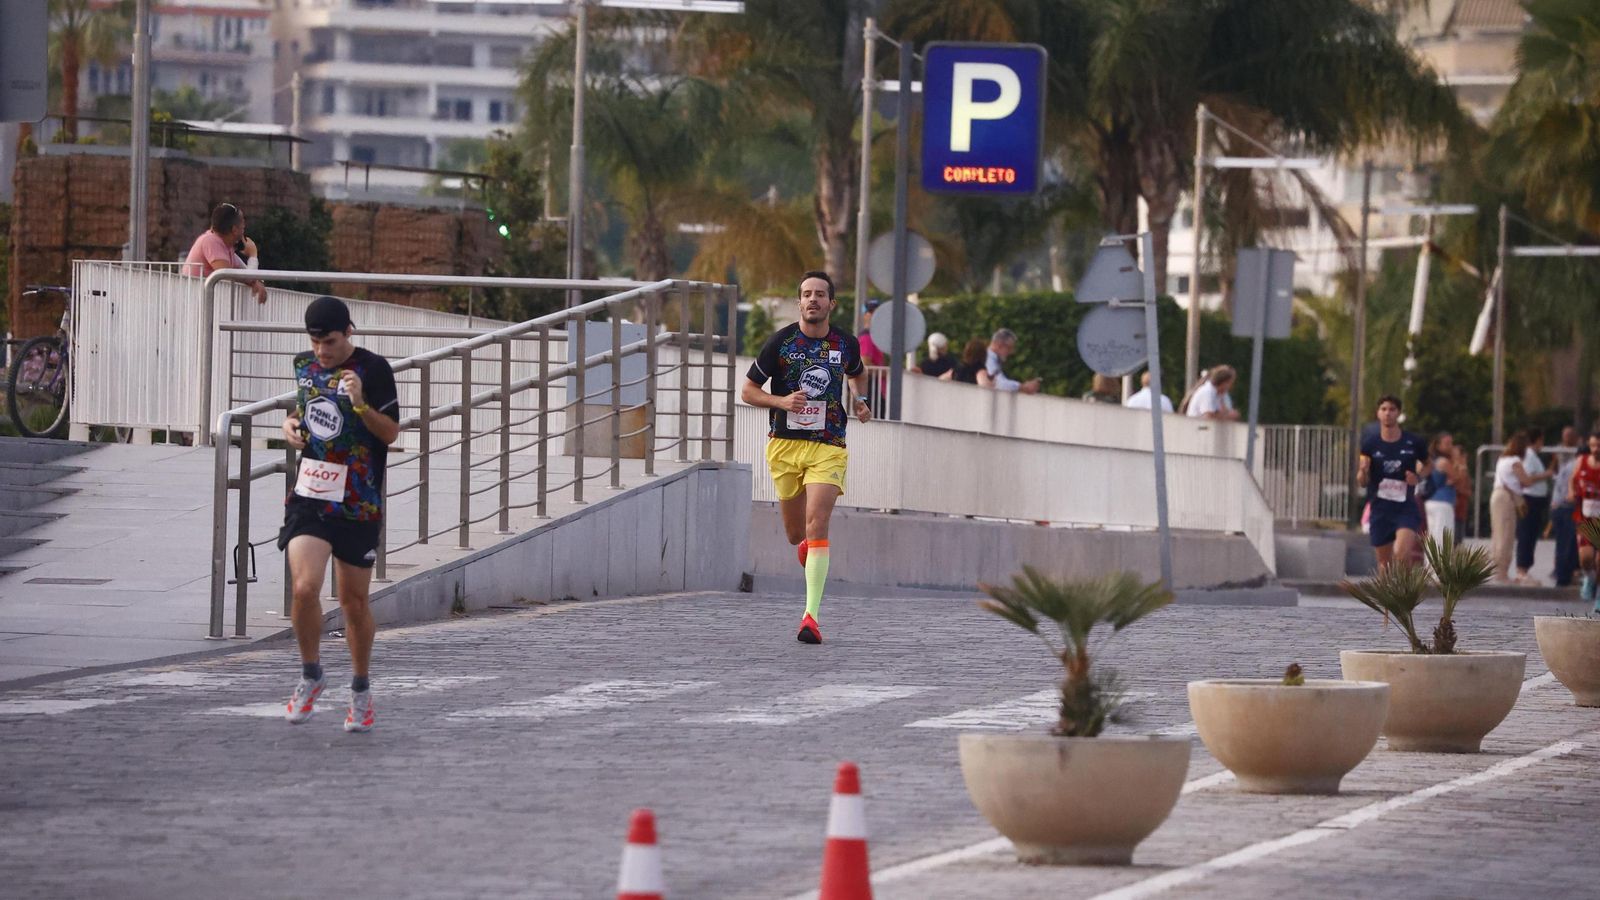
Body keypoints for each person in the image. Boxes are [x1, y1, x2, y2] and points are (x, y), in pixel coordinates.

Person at [278, 296, 401, 731]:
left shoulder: (374, 369)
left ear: (348, 332)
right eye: (315, 343)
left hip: (357, 500)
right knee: (304, 587)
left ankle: (361, 689)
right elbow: (307, 404)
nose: (321, 351)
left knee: (353, 602)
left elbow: (391, 433)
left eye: (329, 342)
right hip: (312, 493)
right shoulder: (304, 365)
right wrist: (289, 424)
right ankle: (311, 673)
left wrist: (361, 403)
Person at [741, 271, 871, 644]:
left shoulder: (845, 343)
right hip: (785, 444)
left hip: (829, 443)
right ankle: (807, 547)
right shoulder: (780, 343)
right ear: (799, 302)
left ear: (832, 303)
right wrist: (781, 401)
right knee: (796, 533)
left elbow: (857, 375)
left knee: (818, 523)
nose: (813, 299)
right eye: (807, 294)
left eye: (820, 294)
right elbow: (748, 390)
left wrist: (860, 400)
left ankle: (810, 618)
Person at [1357, 395, 1428, 571]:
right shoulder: (1370, 444)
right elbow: (1362, 482)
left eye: (1392, 409)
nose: (1388, 413)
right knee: (1384, 564)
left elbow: (1428, 465)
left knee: (1401, 553)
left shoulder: (1413, 442)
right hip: (1380, 508)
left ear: (1398, 413)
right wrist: (1363, 471)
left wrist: (1417, 477)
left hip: (1405, 508)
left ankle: (1406, 587)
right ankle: (1388, 590)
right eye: (1384, 409)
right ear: (1378, 413)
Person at [184, 202, 267, 303]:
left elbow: (247, 276)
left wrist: (257, 282)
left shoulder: (226, 248)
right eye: (242, 223)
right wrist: (253, 255)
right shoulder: (211, 241)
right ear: (234, 229)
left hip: (202, 302)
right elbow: (227, 275)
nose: (244, 226)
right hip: (195, 303)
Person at [1491, 432, 1545, 584]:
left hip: (1497, 495)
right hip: (1507, 498)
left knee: (1498, 533)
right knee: (1506, 535)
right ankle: (1501, 574)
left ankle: (1497, 570)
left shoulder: (1502, 459)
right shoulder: (1515, 461)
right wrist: (1541, 476)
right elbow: (1526, 481)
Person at [1515, 427, 1556, 583]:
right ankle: (1521, 568)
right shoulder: (1529, 456)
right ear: (1538, 440)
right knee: (1526, 533)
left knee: (1531, 533)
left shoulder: (1533, 456)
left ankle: (1525, 567)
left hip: (1536, 500)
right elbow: (1528, 477)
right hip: (1530, 498)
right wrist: (1546, 474)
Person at [1567, 431, 1600, 606]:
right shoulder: (1582, 461)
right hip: (1585, 516)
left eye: (1599, 446)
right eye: (1593, 445)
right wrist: (1571, 492)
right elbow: (1572, 479)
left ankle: (1599, 596)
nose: (1595, 449)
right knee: (1586, 558)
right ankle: (1589, 577)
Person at [1549, 426, 1581, 587]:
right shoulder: (1576, 466)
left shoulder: (1570, 465)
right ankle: (1564, 576)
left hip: (1559, 506)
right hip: (1567, 507)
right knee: (1568, 544)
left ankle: (1563, 573)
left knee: (1563, 543)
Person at [1422, 433, 1461, 541]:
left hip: (1433, 500)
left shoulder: (1433, 461)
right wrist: (1458, 459)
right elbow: (1458, 477)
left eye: (1451, 443)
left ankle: (1431, 553)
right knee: (1443, 537)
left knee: (1434, 535)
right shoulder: (1443, 462)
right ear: (1438, 446)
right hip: (1442, 502)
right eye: (1447, 444)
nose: (1451, 447)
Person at [985, 329, 1041, 394]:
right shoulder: (988, 359)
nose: (1012, 352)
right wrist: (1023, 387)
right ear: (999, 345)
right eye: (1009, 348)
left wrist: (1022, 387)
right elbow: (999, 384)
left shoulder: (992, 359)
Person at [857, 300, 886, 367]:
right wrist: (886, 372)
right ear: (865, 315)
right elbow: (865, 364)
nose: (876, 315)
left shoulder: (875, 336)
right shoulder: (866, 337)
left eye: (878, 312)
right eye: (871, 312)